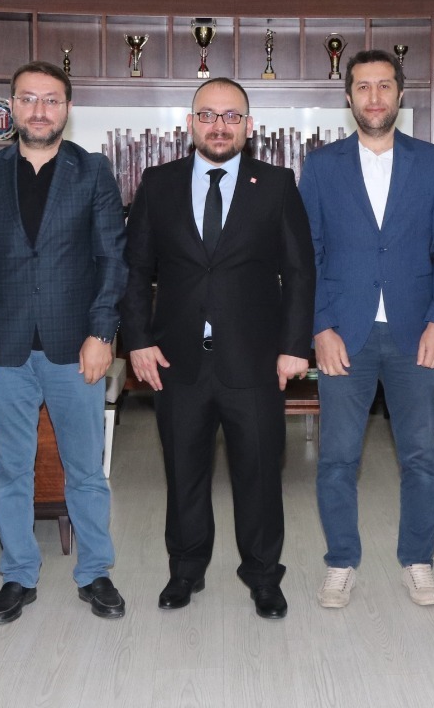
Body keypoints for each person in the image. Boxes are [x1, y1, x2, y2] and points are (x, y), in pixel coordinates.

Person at [121, 78, 315, 619]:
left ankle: (263, 575)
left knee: (259, 474)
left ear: (249, 126)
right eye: (208, 115)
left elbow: (300, 271)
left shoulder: (276, 184)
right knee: (184, 472)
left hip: (255, 360)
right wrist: (137, 341)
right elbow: (134, 272)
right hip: (175, 360)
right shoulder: (157, 183)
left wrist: (294, 346)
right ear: (190, 123)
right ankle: (185, 570)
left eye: (232, 116)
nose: (219, 126)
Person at [0, 61, 127, 624]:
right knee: (10, 471)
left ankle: (95, 571)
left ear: (67, 108)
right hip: (1, 350)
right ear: (11, 107)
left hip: (76, 348)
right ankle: (19, 574)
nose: (39, 110)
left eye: (51, 99)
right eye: (28, 99)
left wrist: (102, 333)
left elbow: (112, 259)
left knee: (86, 470)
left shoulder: (93, 171)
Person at [300, 50, 434, 609]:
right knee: (338, 458)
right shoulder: (321, 166)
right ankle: (340, 561)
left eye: (385, 86)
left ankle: (418, 560)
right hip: (345, 334)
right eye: (364, 86)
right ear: (349, 97)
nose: (374, 97)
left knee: (419, 457)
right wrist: (320, 327)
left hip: (416, 333)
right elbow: (307, 254)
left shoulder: (431, 162)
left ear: (400, 95)